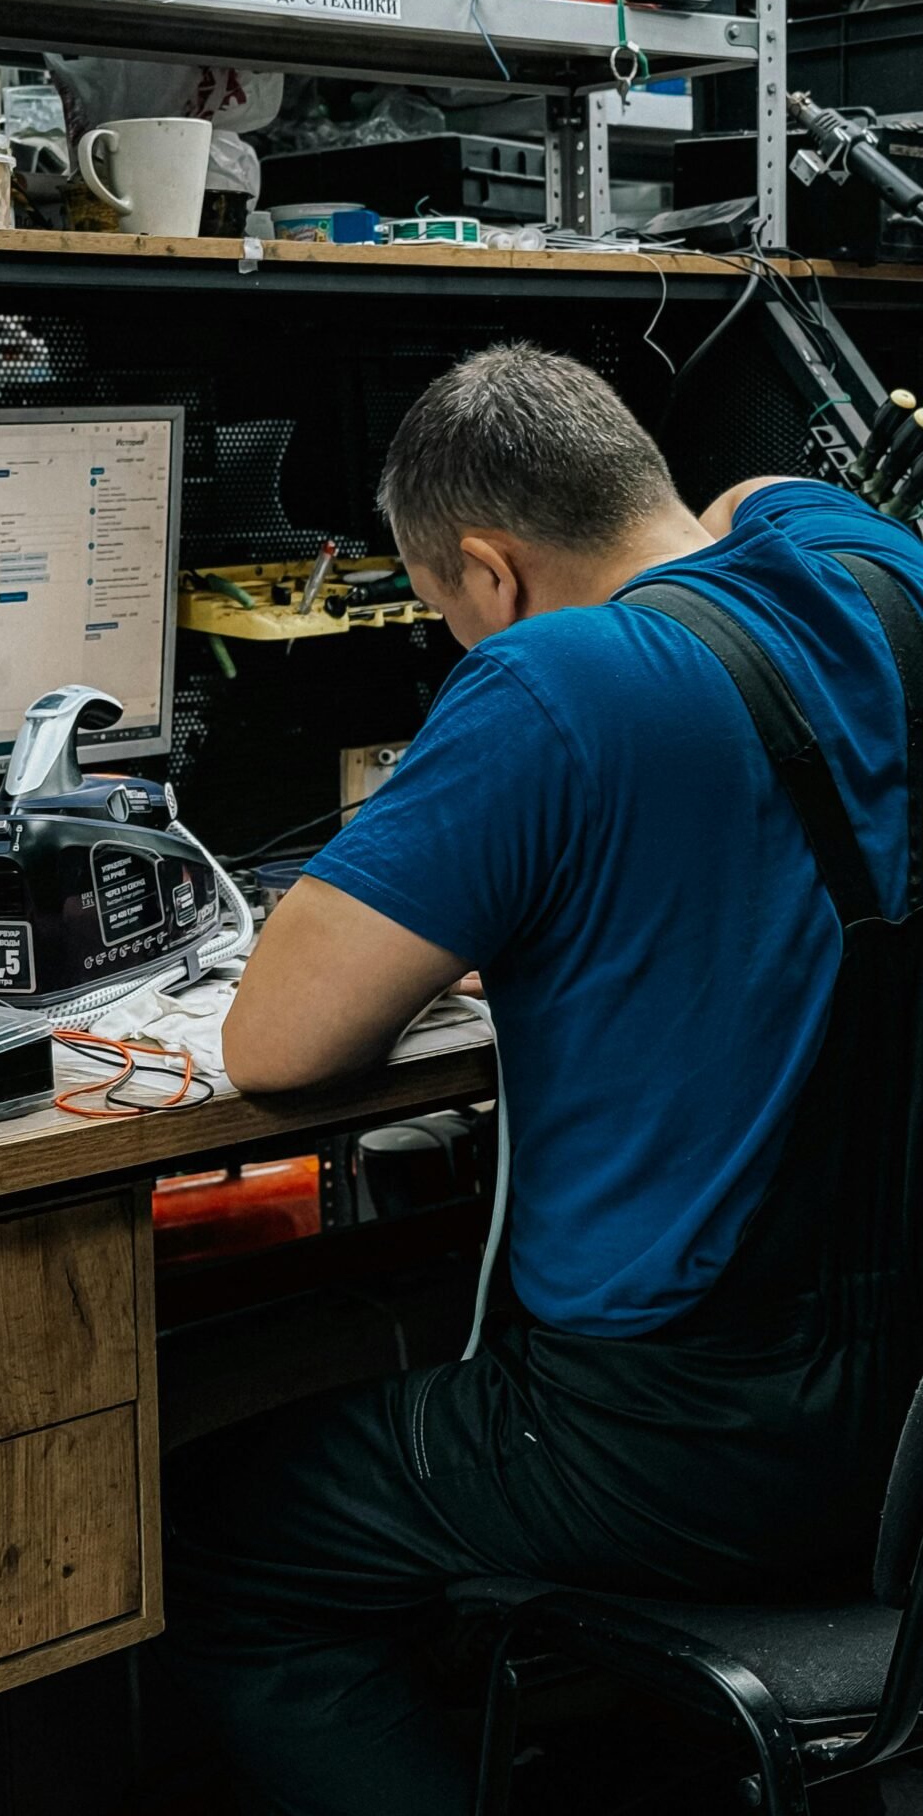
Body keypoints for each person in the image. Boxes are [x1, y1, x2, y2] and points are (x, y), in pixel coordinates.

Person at [159, 342, 923, 1816]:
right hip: (900, 1421)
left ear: (488, 577)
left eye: (445, 613)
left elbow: (275, 1044)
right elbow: (760, 492)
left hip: (671, 1444)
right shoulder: (878, 571)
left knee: (224, 1544)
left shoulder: (549, 684)